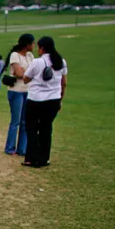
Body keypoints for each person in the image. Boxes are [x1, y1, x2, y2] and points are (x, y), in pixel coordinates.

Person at [22, 36, 67, 167]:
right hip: (53, 99)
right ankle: (44, 158)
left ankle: (31, 157)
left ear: (42, 48)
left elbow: (26, 79)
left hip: (36, 99)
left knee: (31, 128)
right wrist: (60, 99)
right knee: (46, 129)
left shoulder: (37, 62)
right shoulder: (61, 62)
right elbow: (63, 83)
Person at [4, 33, 35, 156]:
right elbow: (18, 73)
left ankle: (22, 148)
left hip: (28, 91)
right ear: (26, 44)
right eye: (32, 43)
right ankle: (10, 147)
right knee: (15, 121)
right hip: (16, 91)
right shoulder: (15, 55)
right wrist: (29, 74)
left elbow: (30, 72)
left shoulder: (30, 56)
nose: (33, 45)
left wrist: (27, 73)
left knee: (25, 121)